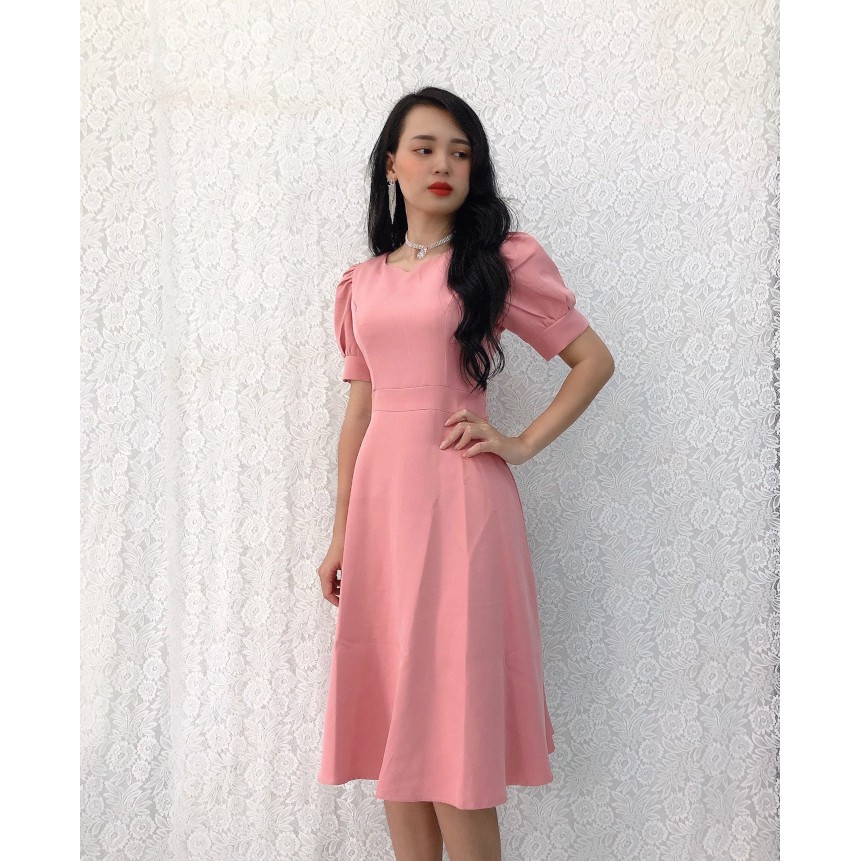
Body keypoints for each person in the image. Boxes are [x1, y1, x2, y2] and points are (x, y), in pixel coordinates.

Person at [316, 86, 615, 861]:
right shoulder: (361, 283)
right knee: (396, 729)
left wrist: (521, 442)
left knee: (450, 736)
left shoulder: (499, 263)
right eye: (424, 148)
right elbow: (359, 411)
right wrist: (341, 534)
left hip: (460, 507)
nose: (443, 163)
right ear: (391, 164)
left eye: (459, 151)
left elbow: (591, 359)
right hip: (382, 514)